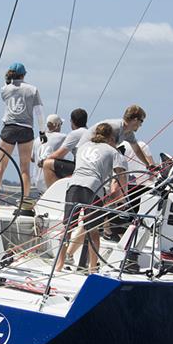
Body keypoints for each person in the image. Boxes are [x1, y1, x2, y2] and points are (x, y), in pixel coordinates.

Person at [55, 123, 127, 273]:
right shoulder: (113, 151)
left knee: (67, 228)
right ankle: (93, 268)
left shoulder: (82, 147)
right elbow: (121, 179)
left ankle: (59, 264)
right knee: (93, 231)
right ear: (111, 138)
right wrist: (120, 199)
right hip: (93, 187)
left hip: (73, 185)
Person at [0, 62, 45, 201]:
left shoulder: (5, 89)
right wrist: (42, 132)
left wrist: (8, 81)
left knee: (0, 166)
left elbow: (6, 88)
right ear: (24, 74)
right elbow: (39, 112)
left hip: (9, 128)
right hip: (26, 129)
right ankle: (24, 200)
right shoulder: (33, 89)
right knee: (25, 168)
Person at [77, 104, 154, 173]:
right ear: (135, 119)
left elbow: (137, 150)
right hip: (83, 153)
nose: (141, 125)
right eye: (142, 121)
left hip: (93, 155)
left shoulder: (129, 133)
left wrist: (148, 164)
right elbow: (104, 147)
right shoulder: (115, 127)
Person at [41, 108, 89, 187]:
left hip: (80, 169)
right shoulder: (89, 132)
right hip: (88, 168)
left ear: (73, 121)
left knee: (47, 164)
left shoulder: (75, 134)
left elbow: (59, 154)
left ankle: (54, 194)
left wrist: (43, 161)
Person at [32, 114, 67, 192]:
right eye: (61, 124)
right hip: (51, 181)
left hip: (37, 182)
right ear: (57, 125)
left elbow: (32, 159)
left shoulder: (37, 139)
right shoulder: (62, 137)